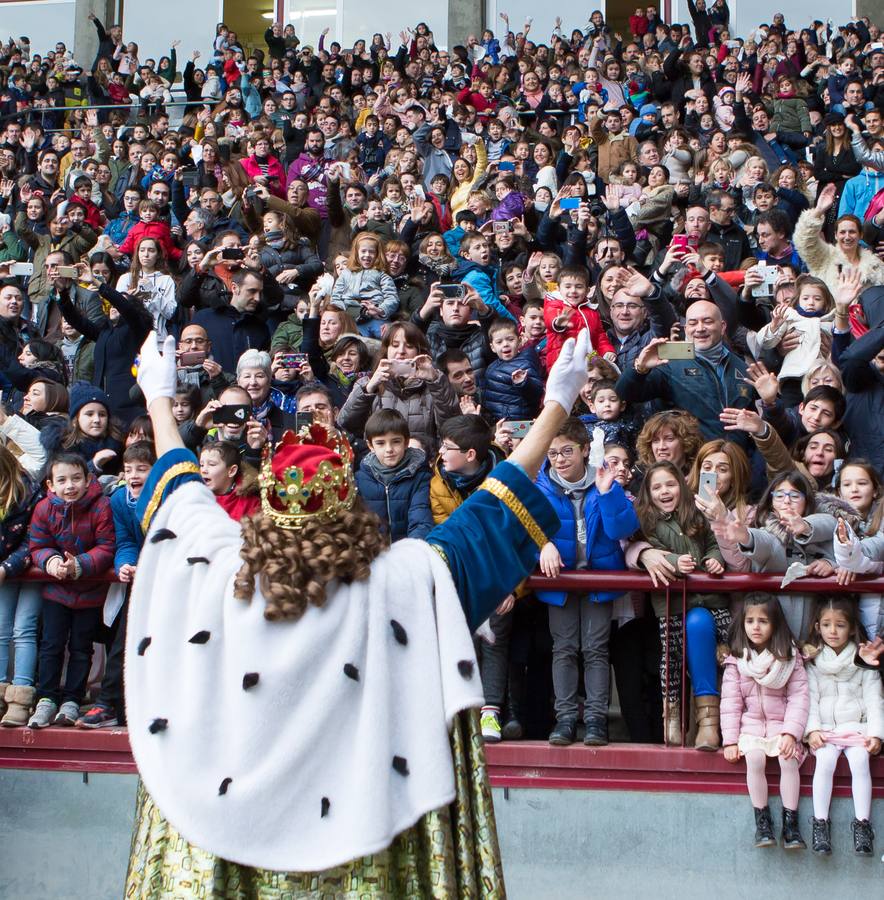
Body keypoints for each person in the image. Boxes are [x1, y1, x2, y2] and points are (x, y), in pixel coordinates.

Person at [123, 326, 590, 895]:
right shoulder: (405, 581)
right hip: (374, 822)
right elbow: (493, 509)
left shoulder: (221, 575)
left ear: (266, 516)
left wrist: (158, 397)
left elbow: (180, 495)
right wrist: (557, 403)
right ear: (350, 509)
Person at [535, 417, 639, 747]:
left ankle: (595, 719)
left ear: (584, 450)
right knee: (563, 648)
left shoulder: (604, 482)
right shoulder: (540, 487)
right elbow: (523, 527)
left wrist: (609, 493)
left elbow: (622, 531)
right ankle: (565, 718)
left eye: (567, 451)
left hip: (598, 577)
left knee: (595, 649)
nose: (560, 459)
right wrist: (543, 544)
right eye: (553, 453)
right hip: (560, 580)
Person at [633, 460, 728, 748]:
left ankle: (714, 722)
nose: (665, 491)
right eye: (657, 487)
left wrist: (716, 559)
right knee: (670, 659)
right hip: (671, 604)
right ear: (648, 493)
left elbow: (712, 542)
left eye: (671, 484)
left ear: (682, 487)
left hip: (709, 601)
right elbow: (648, 548)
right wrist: (675, 562)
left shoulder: (695, 514)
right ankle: (671, 720)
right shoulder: (647, 521)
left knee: (724, 649)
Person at [26, 451, 116, 728]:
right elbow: (38, 545)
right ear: (50, 485)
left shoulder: (101, 506)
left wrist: (80, 565)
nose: (70, 486)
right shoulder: (44, 508)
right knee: (51, 645)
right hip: (56, 591)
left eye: (76, 479)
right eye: (62, 480)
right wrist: (50, 562)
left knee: (81, 648)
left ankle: (72, 700)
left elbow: (107, 546)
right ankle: (46, 698)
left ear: (88, 479)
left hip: (90, 591)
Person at [721, 594, 810, 851]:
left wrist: (791, 733)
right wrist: (730, 740)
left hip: (782, 727)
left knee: (787, 758)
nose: (756, 627)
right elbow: (730, 702)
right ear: (742, 624)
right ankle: (763, 823)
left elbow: (798, 697)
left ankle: (791, 824)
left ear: (776, 624)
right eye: (750, 621)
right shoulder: (738, 660)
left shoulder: (789, 658)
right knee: (755, 759)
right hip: (751, 728)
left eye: (763, 621)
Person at [76, 440, 155, 729]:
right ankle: (109, 703)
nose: (134, 475)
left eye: (142, 470)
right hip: (139, 582)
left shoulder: (169, 497)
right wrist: (125, 564)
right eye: (129, 469)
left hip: (167, 579)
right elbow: (124, 540)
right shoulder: (120, 499)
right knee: (123, 642)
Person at [804, 598, 883, 856]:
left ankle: (862, 825)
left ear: (851, 628)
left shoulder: (862, 660)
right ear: (817, 627)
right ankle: (820, 824)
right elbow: (810, 699)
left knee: (860, 761)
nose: (833, 631)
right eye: (826, 625)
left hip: (855, 728)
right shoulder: (814, 662)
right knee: (824, 762)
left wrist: (875, 734)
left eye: (839, 625)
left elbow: (874, 700)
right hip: (826, 729)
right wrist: (812, 730)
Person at [0, 444, 43, 727]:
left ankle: (20, 698)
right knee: (1, 629)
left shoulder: (28, 490)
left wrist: (7, 567)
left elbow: (34, 537)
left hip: (30, 568)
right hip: (3, 573)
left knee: (24, 629)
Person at [354, 409, 433, 541]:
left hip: (407, 553)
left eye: (396, 441)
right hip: (374, 553)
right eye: (380, 443)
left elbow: (420, 520)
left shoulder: (420, 476)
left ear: (406, 442)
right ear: (370, 445)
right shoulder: (361, 479)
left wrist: (410, 552)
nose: (389, 449)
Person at [482, 318, 544, 424]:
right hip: (497, 420)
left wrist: (524, 383)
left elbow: (537, 392)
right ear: (492, 347)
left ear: (519, 341)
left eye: (510, 339)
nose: (505, 344)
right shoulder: (492, 366)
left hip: (517, 422)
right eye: (499, 342)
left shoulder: (524, 364)